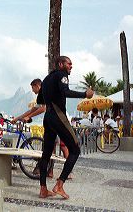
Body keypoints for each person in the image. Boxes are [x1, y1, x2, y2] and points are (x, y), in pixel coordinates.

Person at [39, 56, 93, 199]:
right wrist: (85, 95)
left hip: (48, 117)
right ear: (61, 64)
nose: (71, 66)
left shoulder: (46, 79)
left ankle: (43, 189)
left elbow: (40, 100)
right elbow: (65, 92)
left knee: (46, 153)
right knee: (75, 149)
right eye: (69, 63)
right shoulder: (61, 75)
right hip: (58, 115)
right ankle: (59, 185)